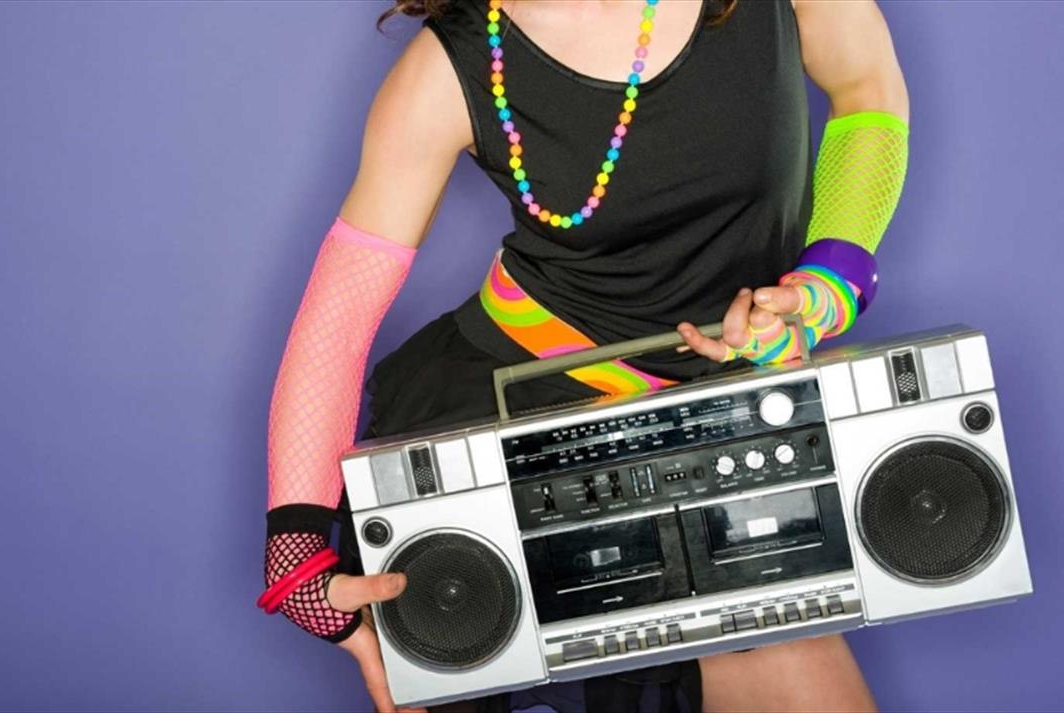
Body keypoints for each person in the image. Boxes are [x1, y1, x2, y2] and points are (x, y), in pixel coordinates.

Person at [260, 0, 909, 710]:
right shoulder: (447, 71)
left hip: (722, 424)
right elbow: (340, 311)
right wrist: (295, 550)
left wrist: (826, 290)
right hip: (525, 425)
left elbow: (867, 89)